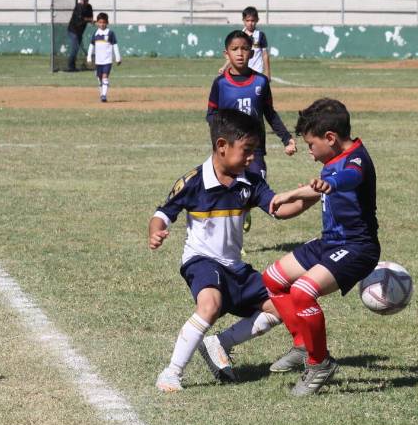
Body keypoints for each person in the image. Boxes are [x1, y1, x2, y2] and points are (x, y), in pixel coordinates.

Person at [150, 110, 316, 392]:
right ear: (222, 146)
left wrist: (309, 197)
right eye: (247, 151)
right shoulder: (194, 181)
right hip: (201, 261)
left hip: (235, 267)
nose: (252, 158)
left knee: (282, 308)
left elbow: (279, 209)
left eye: (254, 151)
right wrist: (155, 230)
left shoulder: (249, 181)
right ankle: (171, 372)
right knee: (210, 306)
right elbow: (163, 213)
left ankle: (219, 343)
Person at [260, 98, 380, 396]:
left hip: (357, 247)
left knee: (302, 291)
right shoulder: (330, 162)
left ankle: (319, 363)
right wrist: (286, 205)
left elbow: (348, 178)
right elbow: (318, 191)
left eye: (312, 146)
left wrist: (294, 192)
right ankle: (303, 345)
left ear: (331, 138)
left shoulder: (355, 160)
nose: (311, 154)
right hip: (330, 242)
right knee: (272, 280)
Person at [208, 30, 297, 234]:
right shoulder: (220, 84)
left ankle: (245, 211)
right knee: (228, 192)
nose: (240, 53)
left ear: (252, 53)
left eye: (245, 49)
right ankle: (233, 239)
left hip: (254, 150)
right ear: (226, 54)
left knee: (254, 187)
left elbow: (270, 114)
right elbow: (211, 114)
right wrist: (219, 139)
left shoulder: (260, 82)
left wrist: (287, 139)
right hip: (228, 149)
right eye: (235, 49)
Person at [219, 6, 272, 80]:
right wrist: (224, 67)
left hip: (257, 70)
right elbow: (233, 55)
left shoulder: (260, 35)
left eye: (252, 20)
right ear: (243, 20)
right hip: (243, 70)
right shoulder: (240, 36)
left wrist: (267, 73)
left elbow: (265, 55)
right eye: (247, 20)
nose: (250, 23)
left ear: (257, 20)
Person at [86, 13, 121, 103]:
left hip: (107, 60)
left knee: (105, 77)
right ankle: (102, 93)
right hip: (98, 61)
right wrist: (89, 57)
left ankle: (104, 96)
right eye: (100, 22)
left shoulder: (110, 33)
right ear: (97, 23)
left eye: (104, 22)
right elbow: (91, 45)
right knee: (99, 78)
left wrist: (118, 57)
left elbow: (115, 45)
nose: (102, 24)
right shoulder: (96, 33)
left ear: (107, 23)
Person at [66, 0, 94, 72]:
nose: (84, 1)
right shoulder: (78, 7)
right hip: (73, 31)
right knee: (75, 48)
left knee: (77, 49)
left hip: (80, 32)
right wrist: (88, 20)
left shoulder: (89, 7)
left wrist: (90, 20)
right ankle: (71, 66)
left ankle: (73, 66)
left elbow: (91, 18)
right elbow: (80, 19)